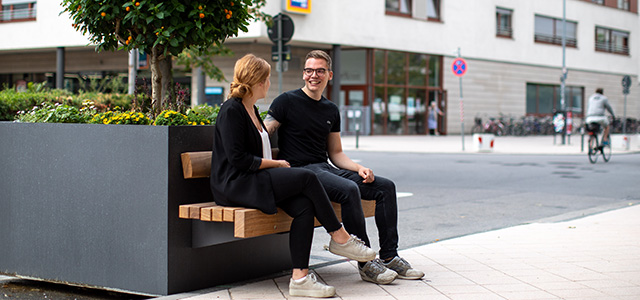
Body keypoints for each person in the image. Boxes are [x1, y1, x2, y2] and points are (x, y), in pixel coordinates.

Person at [209, 54, 376, 298]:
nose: (268, 83)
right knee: (307, 177)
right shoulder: (231, 109)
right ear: (257, 81)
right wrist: (274, 164)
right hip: (236, 184)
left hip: (256, 178)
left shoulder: (251, 108)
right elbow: (238, 159)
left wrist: (272, 165)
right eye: (266, 78)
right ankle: (339, 237)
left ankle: (299, 279)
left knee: (304, 206)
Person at [265, 50, 424, 285]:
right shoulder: (286, 101)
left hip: (325, 167)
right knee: (348, 189)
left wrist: (359, 167)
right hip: (302, 171)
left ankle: (389, 256)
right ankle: (367, 263)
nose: (313, 75)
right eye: (309, 70)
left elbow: (336, 153)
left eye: (320, 71)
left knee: (385, 187)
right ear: (303, 74)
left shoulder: (330, 109)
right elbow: (266, 130)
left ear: (329, 75)